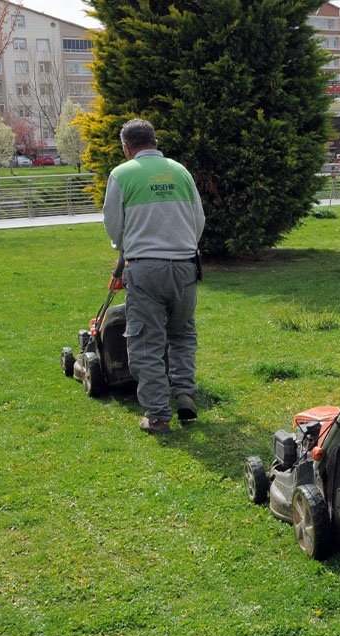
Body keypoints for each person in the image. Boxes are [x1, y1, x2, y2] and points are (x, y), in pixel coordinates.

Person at [103, 118, 206, 435]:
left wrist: (124, 246)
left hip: (145, 268)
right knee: (182, 334)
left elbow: (113, 225)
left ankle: (159, 415)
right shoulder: (180, 171)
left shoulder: (122, 174)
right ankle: (184, 393)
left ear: (126, 147)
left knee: (146, 343)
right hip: (186, 265)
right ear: (155, 142)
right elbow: (198, 219)